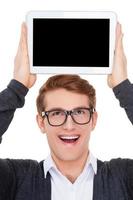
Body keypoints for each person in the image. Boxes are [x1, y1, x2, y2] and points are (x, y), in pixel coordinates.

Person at [0, 22, 133, 200]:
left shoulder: (123, 178)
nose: (69, 126)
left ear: (93, 120)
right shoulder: (15, 179)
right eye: (57, 113)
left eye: (79, 112)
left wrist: (123, 86)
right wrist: (17, 87)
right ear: (41, 122)